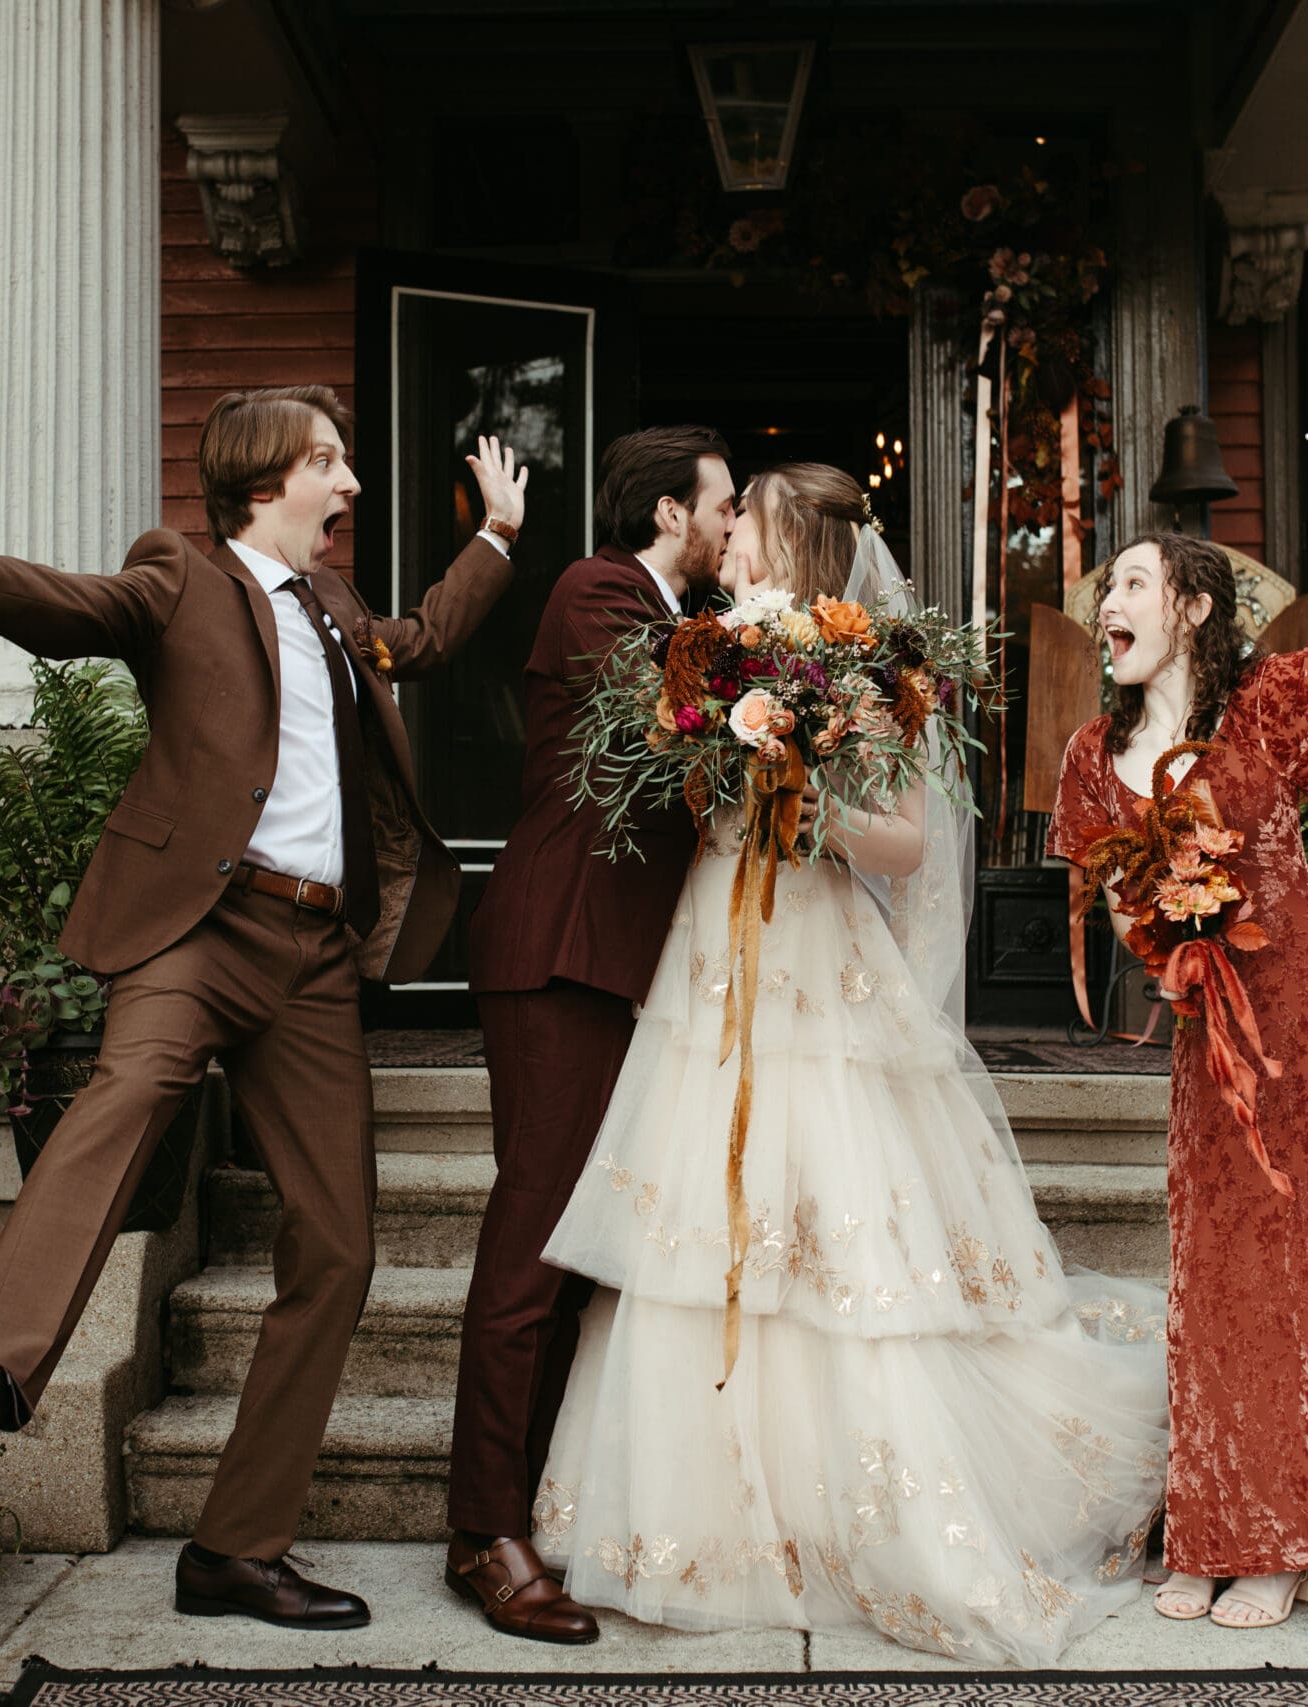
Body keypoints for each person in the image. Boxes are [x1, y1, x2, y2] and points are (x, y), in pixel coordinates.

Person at [0, 387, 525, 1628]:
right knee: (133, 1087)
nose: (350, 484)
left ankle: (235, 1549)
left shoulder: (342, 611)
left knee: (340, 1245)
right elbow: (80, 613)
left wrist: (500, 537)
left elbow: (426, 638)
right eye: (329, 462)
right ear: (264, 479)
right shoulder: (181, 577)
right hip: (202, 927)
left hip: (313, 955)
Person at [528, 463, 1170, 1667]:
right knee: (699, 1226)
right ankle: (707, 1524)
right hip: (708, 954)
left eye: (750, 525)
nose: (730, 541)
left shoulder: (863, 670)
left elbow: (910, 842)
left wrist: (800, 790)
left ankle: (868, 1523)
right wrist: (718, 755)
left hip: (813, 955)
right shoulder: (696, 654)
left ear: (795, 546)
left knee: (826, 1211)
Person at [1045, 429, 1308, 1631]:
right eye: (1103, 591)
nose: (1103, 605)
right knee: (1222, 1278)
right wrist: (1167, 946)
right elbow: (1120, 910)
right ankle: (1222, 1518)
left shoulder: (1272, 704)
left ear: (1188, 607)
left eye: (1126, 583)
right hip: (1212, 1036)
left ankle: (1285, 1539)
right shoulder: (1092, 757)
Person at [446, 426, 742, 1643]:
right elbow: (683, 718)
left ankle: (526, 1508)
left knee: (578, 1252)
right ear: (670, 511)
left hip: (613, 968)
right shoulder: (599, 590)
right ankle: (480, 1534)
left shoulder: (683, 602)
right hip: (558, 952)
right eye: (722, 505)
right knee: (534, 1247)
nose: (732, 525)